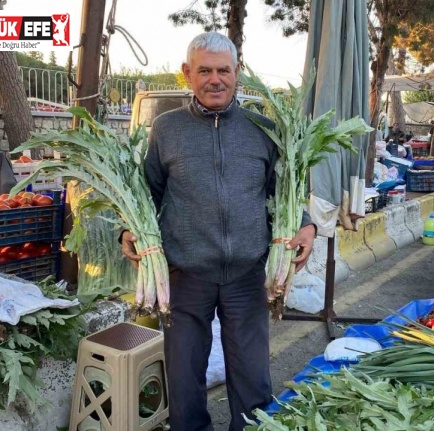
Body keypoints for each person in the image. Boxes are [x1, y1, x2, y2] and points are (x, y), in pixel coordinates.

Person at [120, 32, 317, 431]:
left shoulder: (263, 129)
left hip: (248, 274)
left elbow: (284, 190)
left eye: (223, 70)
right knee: (184, 378)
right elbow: (148, 192)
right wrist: (127, 231)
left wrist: (306, 224)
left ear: (237, 73)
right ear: (187, 74)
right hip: (185, 273)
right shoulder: (166, 128)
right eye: (205, 70)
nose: (215, 80)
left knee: (252, 376)